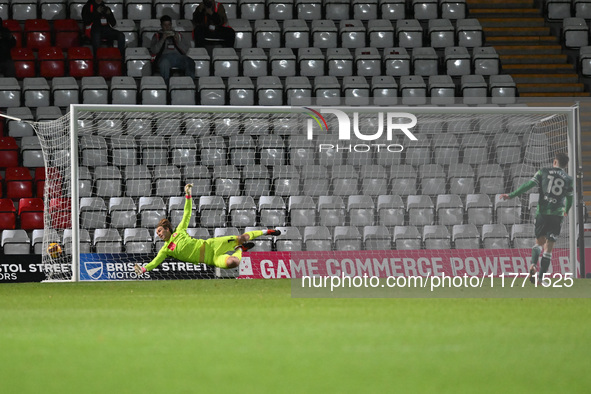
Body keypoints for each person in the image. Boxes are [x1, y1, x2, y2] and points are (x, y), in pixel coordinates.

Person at [134, 183, 281, 275]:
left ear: (167, 228)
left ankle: (266, 231)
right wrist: (144, 269)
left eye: (159, 230)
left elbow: (187, 213)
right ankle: (241, 249)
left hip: (212, 244)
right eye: (157, 233)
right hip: (210, 258)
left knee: (242, 237)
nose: (158, 234)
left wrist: (188, 196)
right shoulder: (166, 249)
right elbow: (155, 262)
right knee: (233, 263)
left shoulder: (179, 230)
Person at [500, 152, 573, 284]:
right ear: (566, 165)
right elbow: (570, 198)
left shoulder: (543, 171)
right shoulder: (568, 179)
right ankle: (540, 278)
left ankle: (533, 263)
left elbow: (528, 185)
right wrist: (566, 210)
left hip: (542, 213)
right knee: (549, 248)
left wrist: (511, 195)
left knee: (539, 242)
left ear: (555, 162)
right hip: (556, 215)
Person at [150, 15, 195, 84]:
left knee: (190, 61)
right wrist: (162, 39)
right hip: (164, 57)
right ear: (161, 25)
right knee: (164, 64)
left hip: (178, 57)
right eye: (165, 25)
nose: (167, 27)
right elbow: (154, 50)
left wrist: (178, 41)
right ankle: (166, 85)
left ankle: (189, 84)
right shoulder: (157, 35)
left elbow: (185, 50)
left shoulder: (178, 34)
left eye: (169, 25)